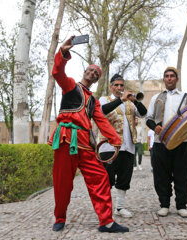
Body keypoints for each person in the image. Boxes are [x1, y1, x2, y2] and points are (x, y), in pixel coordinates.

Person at [48, 36, 129, 233]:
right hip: (66, 139)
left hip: (85, 143)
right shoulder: (70, 86)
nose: (93, 73)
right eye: (91, 70)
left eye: (97, 73)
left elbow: (101, 120)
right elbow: (57, 72)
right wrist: (63, 53)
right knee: (62, 182)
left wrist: (116, 140)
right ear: (85, 71)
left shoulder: (94, 101)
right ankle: (60, 217)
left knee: (101, 177)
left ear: (97, 79)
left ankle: (106, 221)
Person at [146, 67, 187, 218]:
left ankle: (181, 206)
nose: (169, 78)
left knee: (183, 175)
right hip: (161, 142)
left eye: (172, 76)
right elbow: (148, 119)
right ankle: (164, 205)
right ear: (164, 79)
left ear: (177, 79)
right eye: (166, 76)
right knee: (161, 176)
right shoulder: (156, 98)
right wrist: (156, 127)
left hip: (182, 141)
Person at [99, 74, 147, 218]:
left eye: (122, 85)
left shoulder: (130, 103)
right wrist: (121, 99)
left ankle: (120, 207)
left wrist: (135, 100)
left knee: (124, 179)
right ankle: (105, 209)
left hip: (128, 146)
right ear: (111, 86)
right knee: (107, 179)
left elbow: (144, 114)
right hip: (109, 147)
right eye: (116, 85)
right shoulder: (104, 99)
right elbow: (103, 111)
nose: (119, 88)